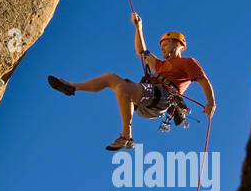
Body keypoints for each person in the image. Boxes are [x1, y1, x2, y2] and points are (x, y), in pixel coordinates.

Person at [47, 12, 216, 150]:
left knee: (123, 89)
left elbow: (203, 80)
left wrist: (210, 102)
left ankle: (126, 136)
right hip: (149, 98)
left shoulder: (187, 62)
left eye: (164, 44)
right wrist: (138, 27)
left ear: (175, 43)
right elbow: (142, 51)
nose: (161, 48)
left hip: (163, 97)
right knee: (110, 78)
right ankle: (72, 86)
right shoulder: (161, 65)